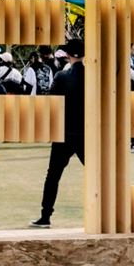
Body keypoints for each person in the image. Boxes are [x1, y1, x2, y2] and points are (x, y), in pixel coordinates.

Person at [31, 38, 85, 228]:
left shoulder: (62, 76)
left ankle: (45, 215)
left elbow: (51, 102)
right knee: (98, 173)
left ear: (68, 54)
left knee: (53, 176)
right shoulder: (93, 76)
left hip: (64, 133)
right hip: (86, 133)